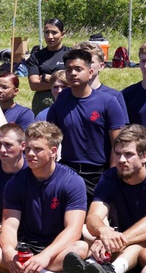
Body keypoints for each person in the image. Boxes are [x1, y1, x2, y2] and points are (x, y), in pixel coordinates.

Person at [63, 125, 146, 273]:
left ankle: (110, 272)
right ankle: (91, 269)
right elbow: (93, 216)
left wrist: (116, 239)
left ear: (144, 156)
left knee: (142, 238)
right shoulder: (109, 178)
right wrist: (104, 232)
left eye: (128, 154)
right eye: (117, 154)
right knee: (88, 229)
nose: (121, 160)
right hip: (117, 237)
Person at [0, 121, 88, 273]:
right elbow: (10, 226)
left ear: (53, 151)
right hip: (25, 247)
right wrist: (8, 251)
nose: (30, 154)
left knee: (80, 248)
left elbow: (73, 230)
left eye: (38, 149)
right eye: (28, 148)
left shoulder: (72, 182)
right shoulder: (15, 183)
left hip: (56, 249)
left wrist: (45, 255)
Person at [46, 49, 126, 197]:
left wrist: (112, 174)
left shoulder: (108, 102)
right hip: (68, 169)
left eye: (78, 69)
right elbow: (49, 137)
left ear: (90, 72)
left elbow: (117, 142)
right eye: (69, 69)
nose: (73, 73)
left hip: (99, 172)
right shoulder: (61, 100)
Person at [26, 18, 70, 114]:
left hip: (67, 99)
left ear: (62, 34)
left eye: (54, 32)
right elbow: (34, 85)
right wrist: (63, 82)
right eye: (47, 32)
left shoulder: (70, 54)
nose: (50, 36)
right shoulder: (36, 56)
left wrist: (49, 78)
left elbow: (75, 80)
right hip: (43, 102)